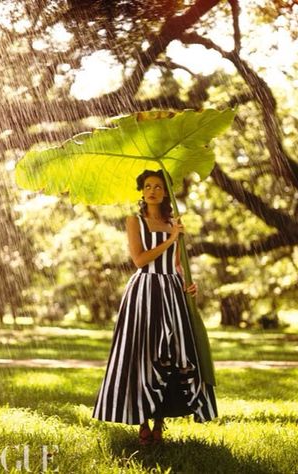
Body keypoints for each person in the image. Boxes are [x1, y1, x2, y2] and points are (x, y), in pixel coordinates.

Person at [91, 169, 217, 446]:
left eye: (158, 186)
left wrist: (187, 283)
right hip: (145, 291)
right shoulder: (134, 221)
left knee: (173, 353)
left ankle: (161, 420)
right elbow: (139, 259)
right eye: (148, 186)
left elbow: (177, 263)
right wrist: (171, 239)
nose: (152, 191)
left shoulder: (175, 222)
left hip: (172, 292)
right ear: (142, 191)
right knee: (142, 354)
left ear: (165, 192)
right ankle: (143, 421)